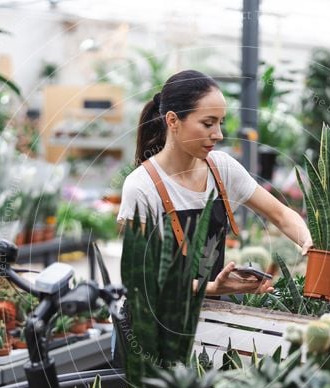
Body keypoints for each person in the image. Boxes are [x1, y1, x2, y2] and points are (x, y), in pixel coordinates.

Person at [117, 69, 314, 297]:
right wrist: (210, 288)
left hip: (212, 323)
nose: (218, 134)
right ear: (173, 120)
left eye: (220, 123)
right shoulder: (142, 186)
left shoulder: (222, 168)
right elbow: (142, 280)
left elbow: (280, 214)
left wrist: (308, 240)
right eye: (208, 123)